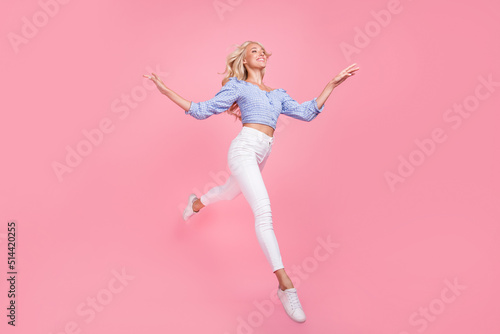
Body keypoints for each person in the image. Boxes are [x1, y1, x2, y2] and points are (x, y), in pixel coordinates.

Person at [144, 40, 359, 323]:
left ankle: (196, 203)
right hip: (244, 149)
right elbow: (201, 110)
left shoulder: (278, 94)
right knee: (264, 211)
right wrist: (165, 90)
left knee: (230, 192)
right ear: (244, 60)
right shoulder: (237, 86)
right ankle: (285, 284)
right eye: (254, 51)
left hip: (262, 152)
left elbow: (307, 113)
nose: (260, 54)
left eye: (263, 51)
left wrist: (331, 84)